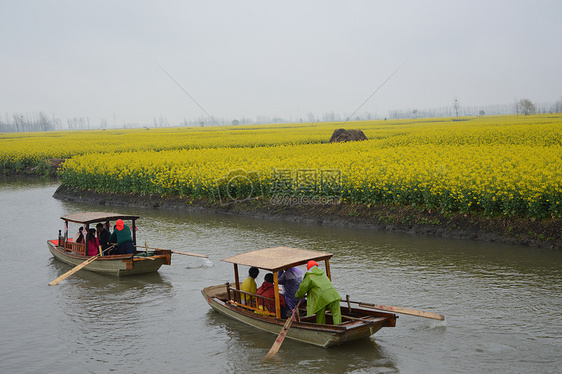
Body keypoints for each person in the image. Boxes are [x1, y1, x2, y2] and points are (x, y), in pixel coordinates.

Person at [295, 260, 342, 325]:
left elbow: (302, 289)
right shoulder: (323, 273)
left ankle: (321, 327)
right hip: (334, 295)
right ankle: (339, 327)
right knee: (336, 314)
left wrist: (297, 296)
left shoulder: (309, 276)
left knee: (320, 315)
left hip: (321, 298)